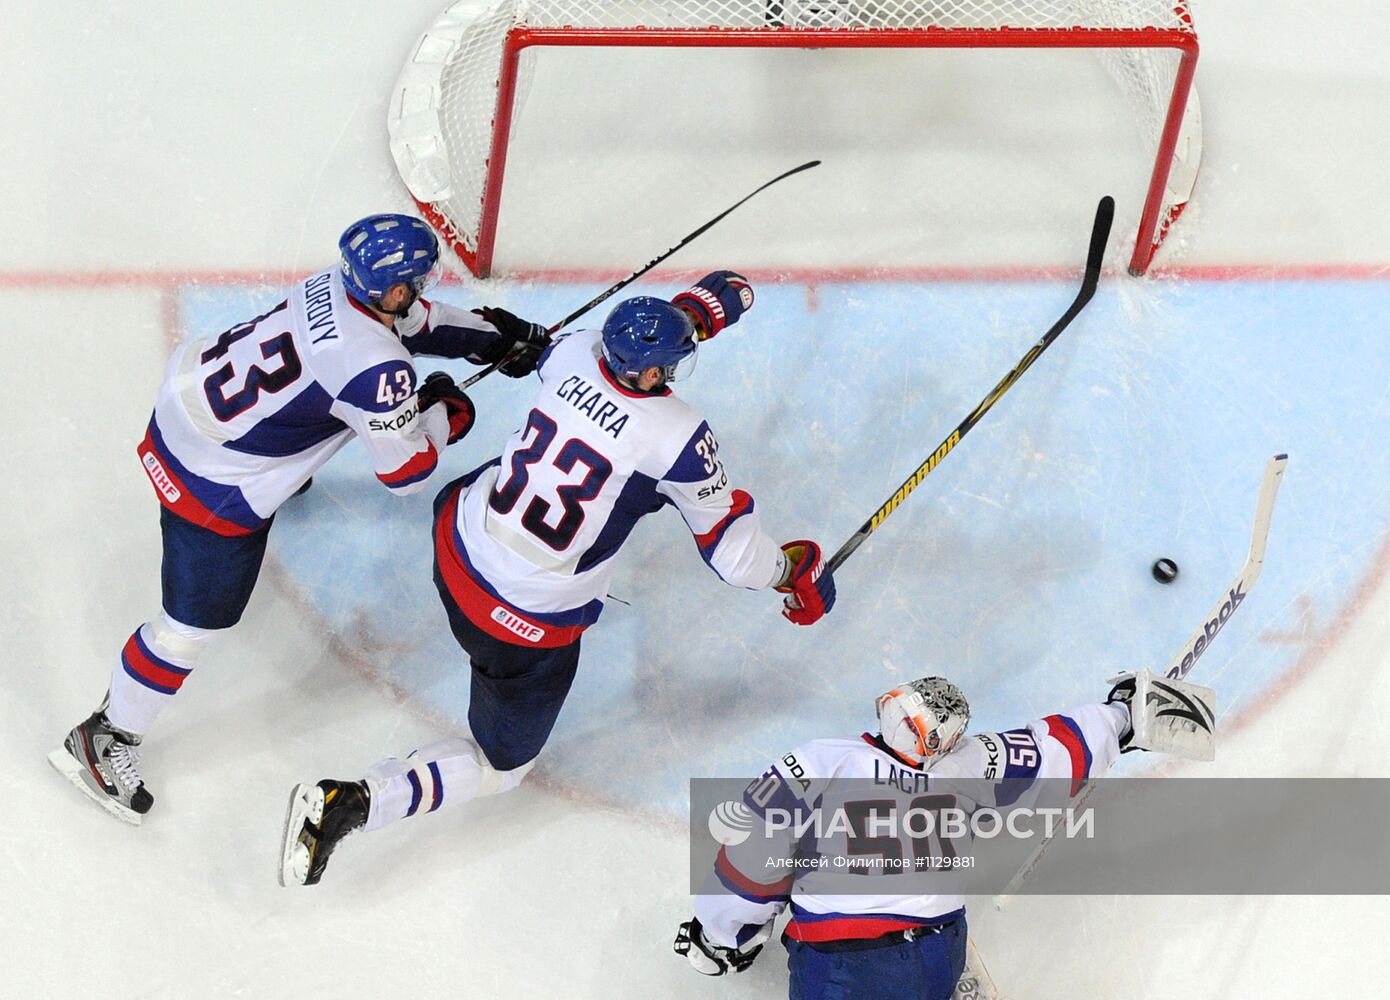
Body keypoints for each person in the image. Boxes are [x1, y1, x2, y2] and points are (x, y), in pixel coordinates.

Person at [279, 271, 838, 887]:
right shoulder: (680, 438)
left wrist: (688, 316)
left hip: (453, 549)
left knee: (517, 473)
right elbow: (734, 558)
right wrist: (791, 569)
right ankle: (360, 799)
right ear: (654, 375)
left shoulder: (575, 350)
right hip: (521, 627)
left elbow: (588, 357)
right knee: (503, 766)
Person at [49, 214, 550, 825]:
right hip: (211, 482)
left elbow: (416, 323)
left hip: (189, 398)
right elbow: (406, 473)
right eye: (415, 279)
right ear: (392, 287)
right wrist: (445, 413)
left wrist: (494, 339)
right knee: (189, 627)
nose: (421, 286)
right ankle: (104, 739)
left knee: (319, 410)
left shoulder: (333, 284)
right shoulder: (375, 368)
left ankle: (285, 466)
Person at [672, 674, 1145, 1000]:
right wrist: (1123, 715)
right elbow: (1057, 753)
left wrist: (720, 935)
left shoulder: (820, 761)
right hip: (943, 949)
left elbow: (753, 859)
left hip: (848, 965)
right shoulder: (971, 763)